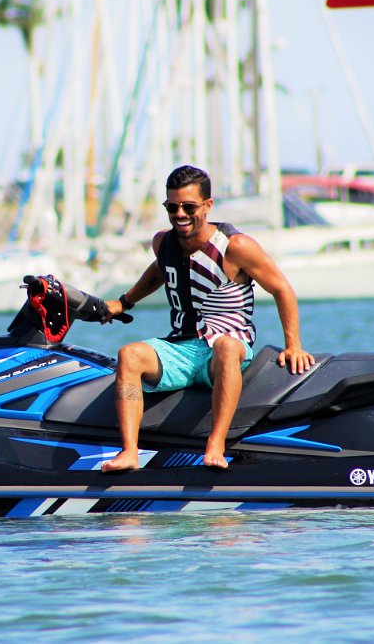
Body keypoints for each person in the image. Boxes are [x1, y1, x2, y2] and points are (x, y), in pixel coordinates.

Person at [101, 165, 315, 472]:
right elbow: (161, 270)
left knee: (226, 347)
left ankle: (216, 445)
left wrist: (293, 345)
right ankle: (130, 452)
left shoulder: (234, 246)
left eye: (189, 207)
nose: (180, 214)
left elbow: (281, 288)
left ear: (208, 206)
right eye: (172, 207)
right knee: (129, 355)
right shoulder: (164, 243)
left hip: (229, 345)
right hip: (182, 346)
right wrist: (124, 302)